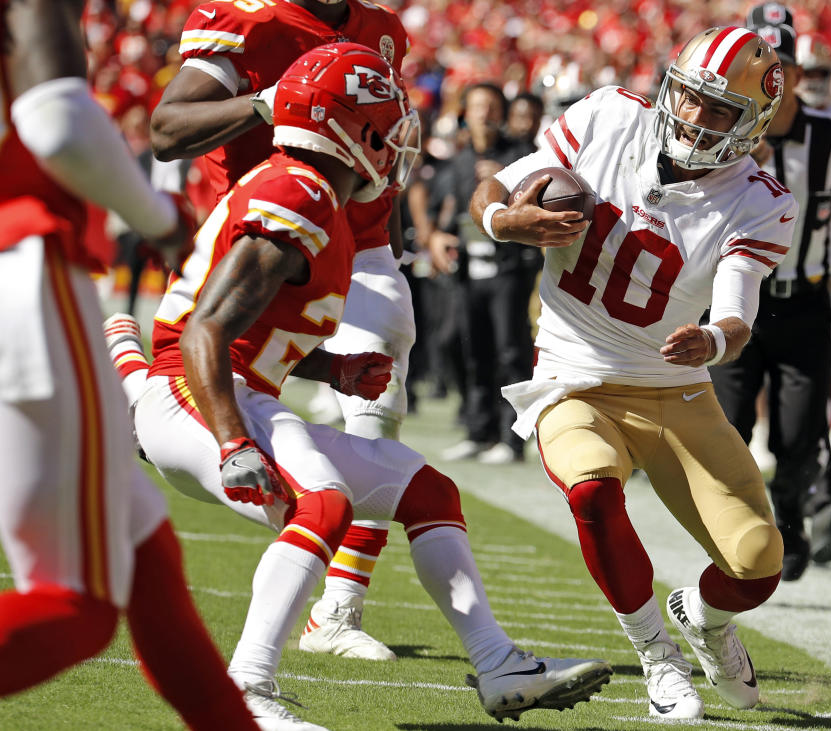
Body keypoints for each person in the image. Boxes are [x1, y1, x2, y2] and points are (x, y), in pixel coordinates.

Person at [134, 42, 612, 728]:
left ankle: (499, 661)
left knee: (425, 489)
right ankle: (245, 689)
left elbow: (249, 334)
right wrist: (235, 441)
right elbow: (204, 333)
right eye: (384, 133)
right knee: (324, 501)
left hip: (235, 387)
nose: (393, 150)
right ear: (349, 131)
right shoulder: (297, 188)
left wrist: (337, 370)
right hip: (197, 392)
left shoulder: (314, 194)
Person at [471, 26, 793, 720]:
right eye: (690, 96)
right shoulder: (610, 116)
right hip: (573, 374)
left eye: (719, 110)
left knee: (760, 560)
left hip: (674, 387)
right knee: (590, 487)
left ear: (752, 124)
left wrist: (711, 337)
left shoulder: (759, 198)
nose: (694, 117)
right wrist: (504, 220)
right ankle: (657, 656)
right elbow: (494, 187)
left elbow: (737, 314)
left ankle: (701, 618)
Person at [0, 0, 259, 728]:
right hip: (21, 267)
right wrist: (161, 219)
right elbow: (57, 121)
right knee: (77, 604)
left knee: (142, 542)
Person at [148, 0, 416, 661]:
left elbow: (384, 141)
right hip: (274, 231)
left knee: (380, 404)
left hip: (364, 237)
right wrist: (268, 101)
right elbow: (166, 129)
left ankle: (339, 608)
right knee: (238, 367)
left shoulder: (382, 30)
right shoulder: (248, 19)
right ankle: (163, 407)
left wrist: (396, 242)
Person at [709, 6, 831, 582]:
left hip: (807, 304)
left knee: (799, 435)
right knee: (728, 430)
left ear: (794, 72)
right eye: (754, 63)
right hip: (733, 303)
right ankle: (733, 537)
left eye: (777, 63)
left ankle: (789, 521)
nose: (766, 75)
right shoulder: (718, 131)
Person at [429, 82, 538, 464]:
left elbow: (545, 194)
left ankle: (512, 439)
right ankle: (479, 430)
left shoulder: (522, 155)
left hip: (509, 268)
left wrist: (510, 179)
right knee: (472, 350)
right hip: (467, 270)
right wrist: (438, 238)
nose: (484, 114)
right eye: (477, 106)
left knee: (511, 351)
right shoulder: (458, 160)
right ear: (465, 112)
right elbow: (441, 211)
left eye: (492, 106)